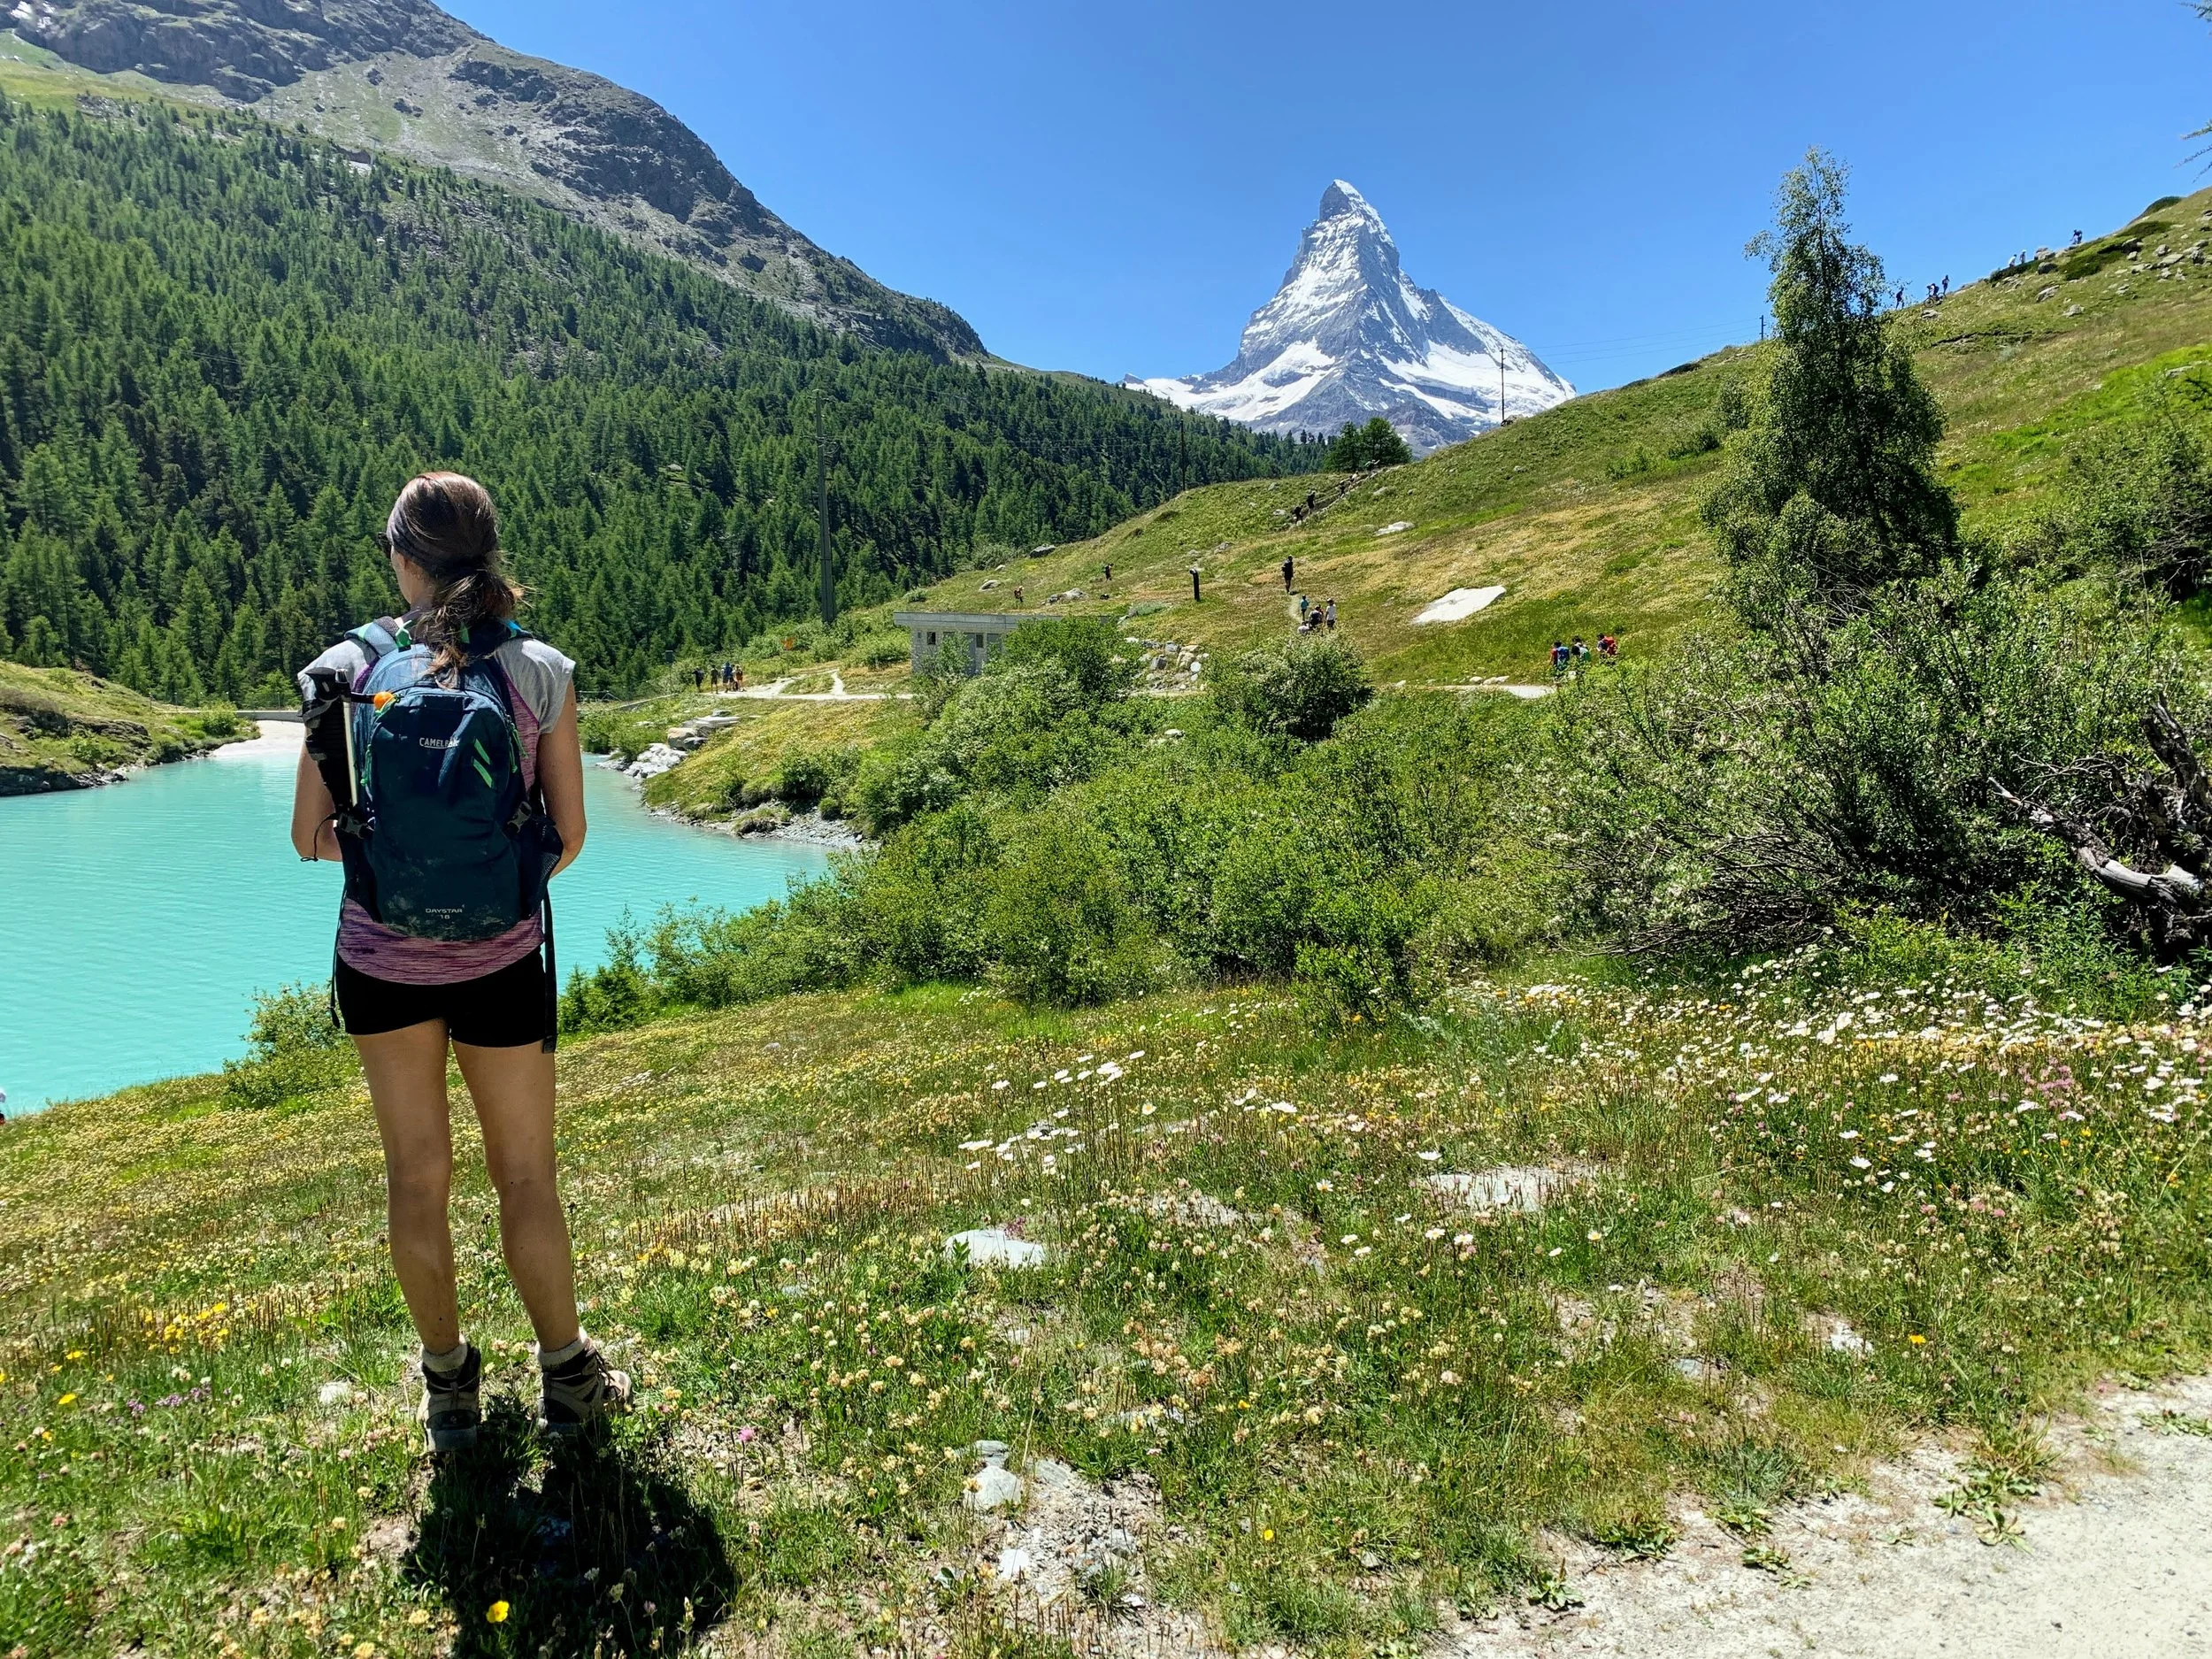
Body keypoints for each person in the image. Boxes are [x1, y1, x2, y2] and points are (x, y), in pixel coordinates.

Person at [290, 472, 630, 1452]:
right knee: (525, 1177)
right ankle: (568, 1380)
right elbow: (568, 837)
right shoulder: (537, 670)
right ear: (486, 553)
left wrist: (396, 867)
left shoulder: (346, 672)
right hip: (503, 962)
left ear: (401, 557)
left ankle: (449, 1390)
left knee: (415, 1180)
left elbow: (312, 838)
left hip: (380, 965)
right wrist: (491, 884)